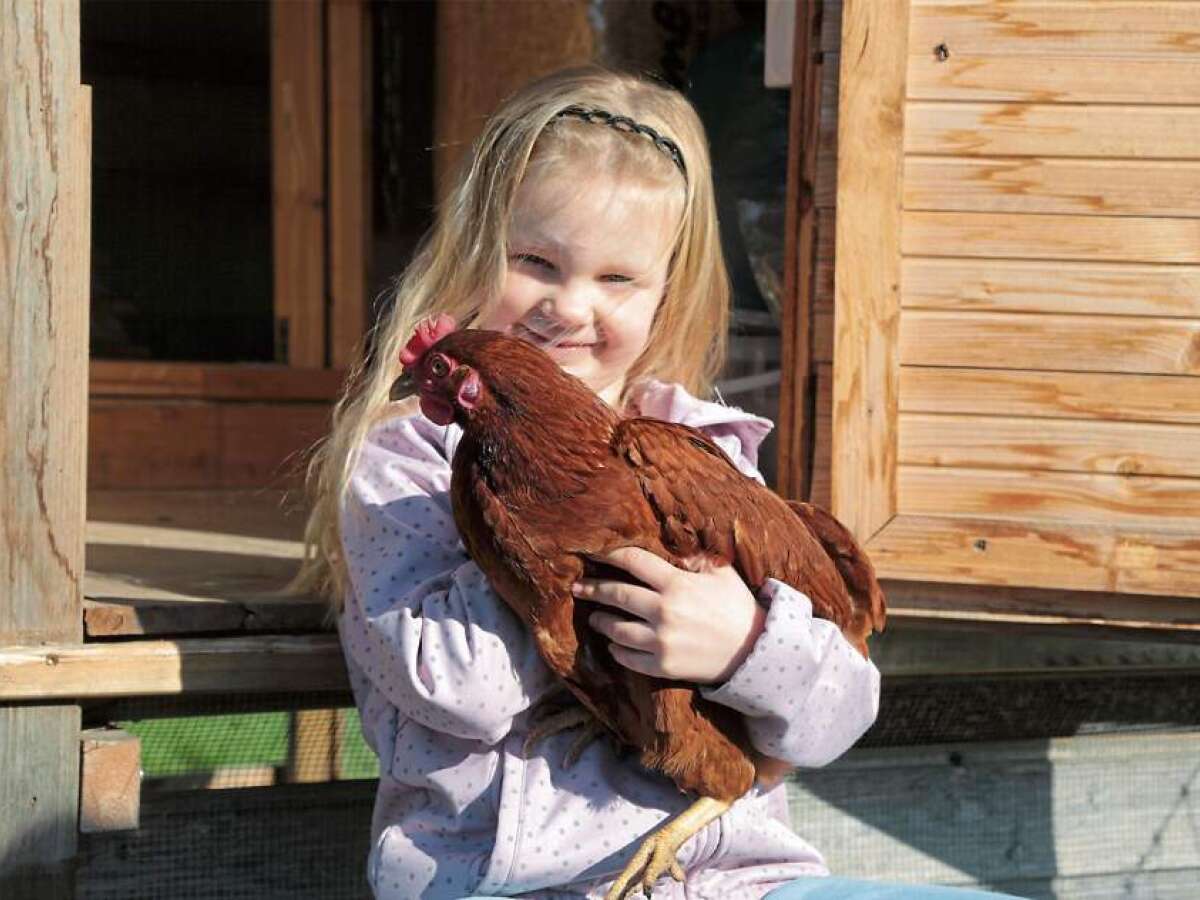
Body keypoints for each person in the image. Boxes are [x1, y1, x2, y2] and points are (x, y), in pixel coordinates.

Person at [294, 66, 1019, 900]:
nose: (568, 308)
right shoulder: (405, 469)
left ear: (665, 293)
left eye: (616, 279)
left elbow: (839, 715)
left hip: (737, 882)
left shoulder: (700, 450)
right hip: (526, 886)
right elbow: (466, 694)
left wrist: (743, 644)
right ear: (473, 253)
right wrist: (551, 514)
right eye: (534, 261)